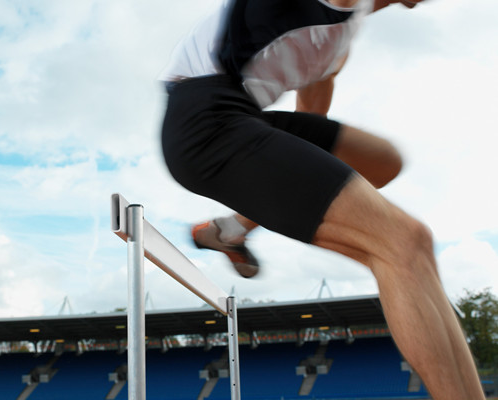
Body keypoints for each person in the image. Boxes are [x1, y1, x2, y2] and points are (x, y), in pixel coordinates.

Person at [159, 0, 485, 398]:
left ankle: (230, 229)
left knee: (384, 163)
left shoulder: (339, 41)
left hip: (240, 118)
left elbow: (311, 126)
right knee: (403, 243)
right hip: (204, 123)